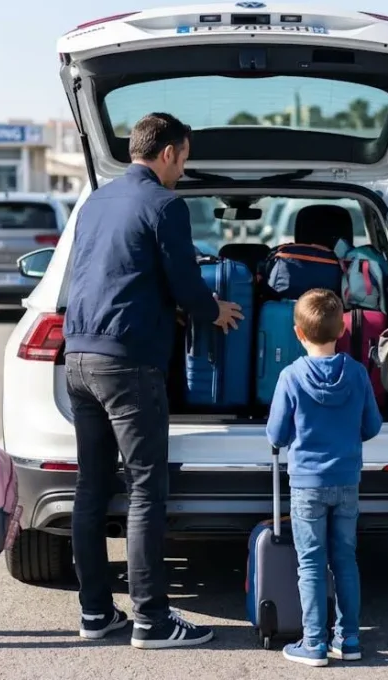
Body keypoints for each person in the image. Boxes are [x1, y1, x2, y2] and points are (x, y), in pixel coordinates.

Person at [63, 112, 243, 649]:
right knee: (145, 490)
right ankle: (152, 621)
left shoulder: (95, 202)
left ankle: (96, 613)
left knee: (91, 488)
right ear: (168, 153)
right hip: (128, 363)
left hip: (78, 357)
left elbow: (101, 272)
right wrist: (213, 310)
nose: (183, 170)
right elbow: (185, 282)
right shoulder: (165, 205)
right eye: (184, 158)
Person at [266, 289, 382, 667]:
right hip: (347, 481)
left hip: (307, 485)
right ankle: (349, 639)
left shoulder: (291, 376)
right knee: (345, 559)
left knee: (311, 564)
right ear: (342, 330)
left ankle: (314, 643)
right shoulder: (357, 373)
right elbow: (372, 426)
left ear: (298, 333)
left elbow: (276, 434)